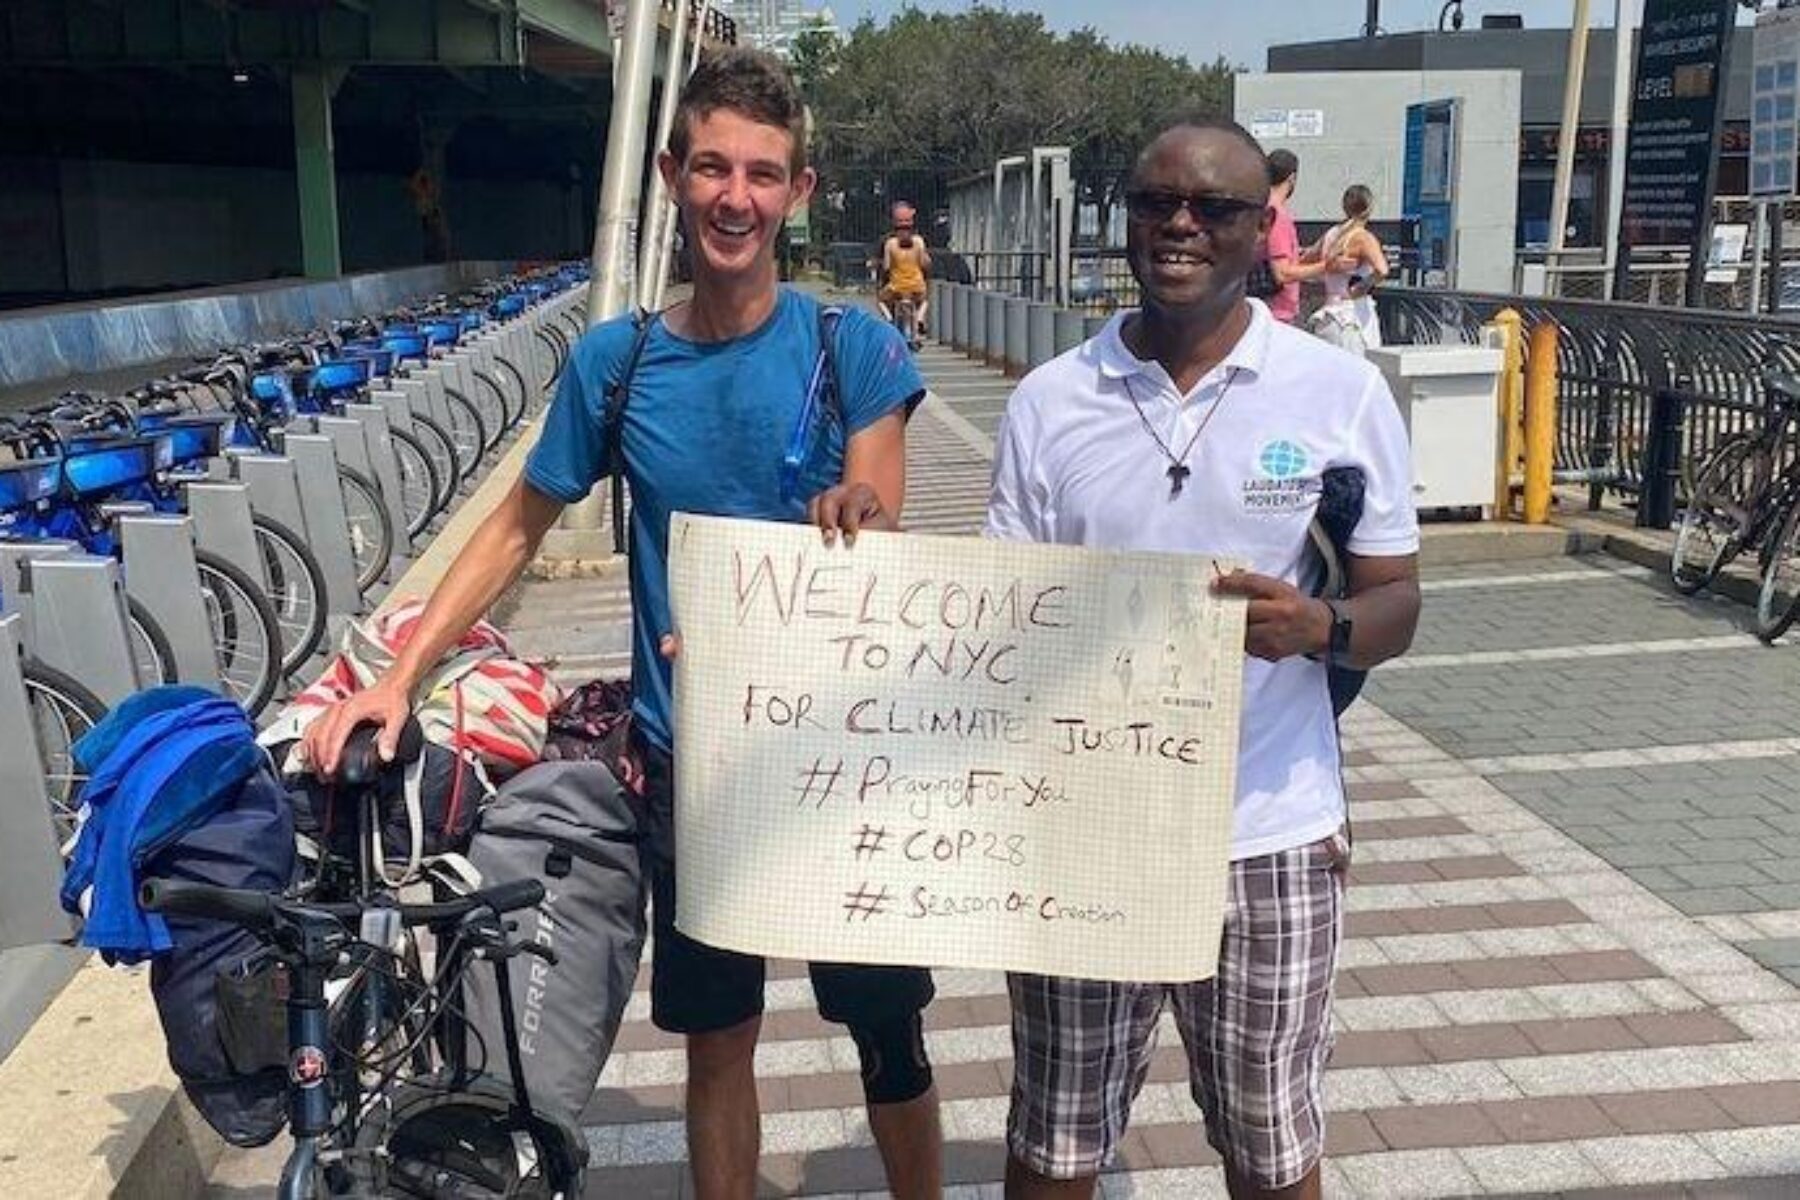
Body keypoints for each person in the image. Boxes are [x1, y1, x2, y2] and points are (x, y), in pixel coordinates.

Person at [299, 47, 943, 1200]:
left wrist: (859, 516)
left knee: (889, 1035)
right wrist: (400, 675)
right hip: (692, 771)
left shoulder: (854, 349)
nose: (733, 197)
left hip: (846, 770)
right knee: (718, 1038)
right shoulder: (620, 360)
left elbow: (879, 514)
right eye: (710, 169)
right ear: (670, 176)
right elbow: (514, 527)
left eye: (761, 173)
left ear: (797, 191)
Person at [985, 120, 1421, 1200]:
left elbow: (1398, 600)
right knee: (1056, 1136)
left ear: (1260, 233)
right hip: (1085, 830)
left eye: (1215, 208)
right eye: (1155, 203)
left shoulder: (1337, 393)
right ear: (1125, 221)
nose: (1181, 224)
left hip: (1269, 830)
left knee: (1272, 1146)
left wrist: (1320, 629)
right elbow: (996, 615)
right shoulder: (1049, 400)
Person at [1303, 184, 1389, 356]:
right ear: (1369, 208)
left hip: (1329, 314)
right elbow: (1382, 270)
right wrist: (1361, 287)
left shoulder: (1331, 234)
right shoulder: (1363, 237)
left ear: (1344, 207)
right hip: (1352, 317)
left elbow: (1303, 260)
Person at [1260, 149, 1340, 325]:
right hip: (1277, 314)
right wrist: (1327, 266)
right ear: (1292, 178)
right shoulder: (1277, 215)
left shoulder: (1262, 208)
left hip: (1268, 311)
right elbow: (1282, 273)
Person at [878, 201, 932, 342]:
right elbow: (924, 263)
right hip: (916, 285)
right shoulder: (919, 242)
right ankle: (920, 319)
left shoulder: (890, 244)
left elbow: (886, 267)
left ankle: (889, 320)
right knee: (925, 300)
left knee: (881, 300)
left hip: (896, 286)